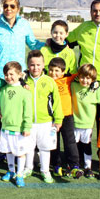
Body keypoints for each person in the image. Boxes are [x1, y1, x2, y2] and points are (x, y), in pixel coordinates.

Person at [23, 50, 63, 184]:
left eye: (38, 65)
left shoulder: (49, 81)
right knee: (28, 146)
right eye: (32, 65)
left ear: (43, 64)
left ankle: (45, 170)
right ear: (27, 65)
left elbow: (56, 102)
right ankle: (28, 168)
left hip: (45, 121)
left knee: (45, 147)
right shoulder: (23, 80)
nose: (35, 68)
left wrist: (58, 120)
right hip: (27, 122)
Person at [0, 0, 44, 79]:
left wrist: (50, 45)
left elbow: (33, 44)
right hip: (0, 75)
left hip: (19, 74)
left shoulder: (24, 25)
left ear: (18, 9)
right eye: (6, 6)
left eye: (12, 6)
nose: (8, 9)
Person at [47, 58, 82, 179]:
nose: (53, 73)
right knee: (54, 142)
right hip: (52, 118)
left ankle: (74, 165)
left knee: (70, 141)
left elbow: (82, 73)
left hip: (67, 116)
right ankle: (56, 165)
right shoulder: (46, 80)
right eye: (51, 70)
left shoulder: (68, 79)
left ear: (63, 72)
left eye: (57, 70)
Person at [0, 61, 32, 188]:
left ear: (19, 75)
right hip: (6, 127)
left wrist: (27, 126)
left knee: (20, 152)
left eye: (12, 74)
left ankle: (19, 174)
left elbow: (28, 111)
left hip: (19, 129)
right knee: (9, 151)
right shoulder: (3, 90)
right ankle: (11, 171)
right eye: (6, 74)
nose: (8, 77)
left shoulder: (25, 92)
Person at [71, 64, 100, 179]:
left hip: (88, 124)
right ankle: (75, 164)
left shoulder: (95, 90)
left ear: (93, 79)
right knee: (75, 145)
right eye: (82, 77)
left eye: (88, 78)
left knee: (86, 145)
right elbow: (70, 78)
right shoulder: (74, 85)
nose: (85, 80)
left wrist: (97, 85)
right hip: (75, 122)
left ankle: (87, 166)